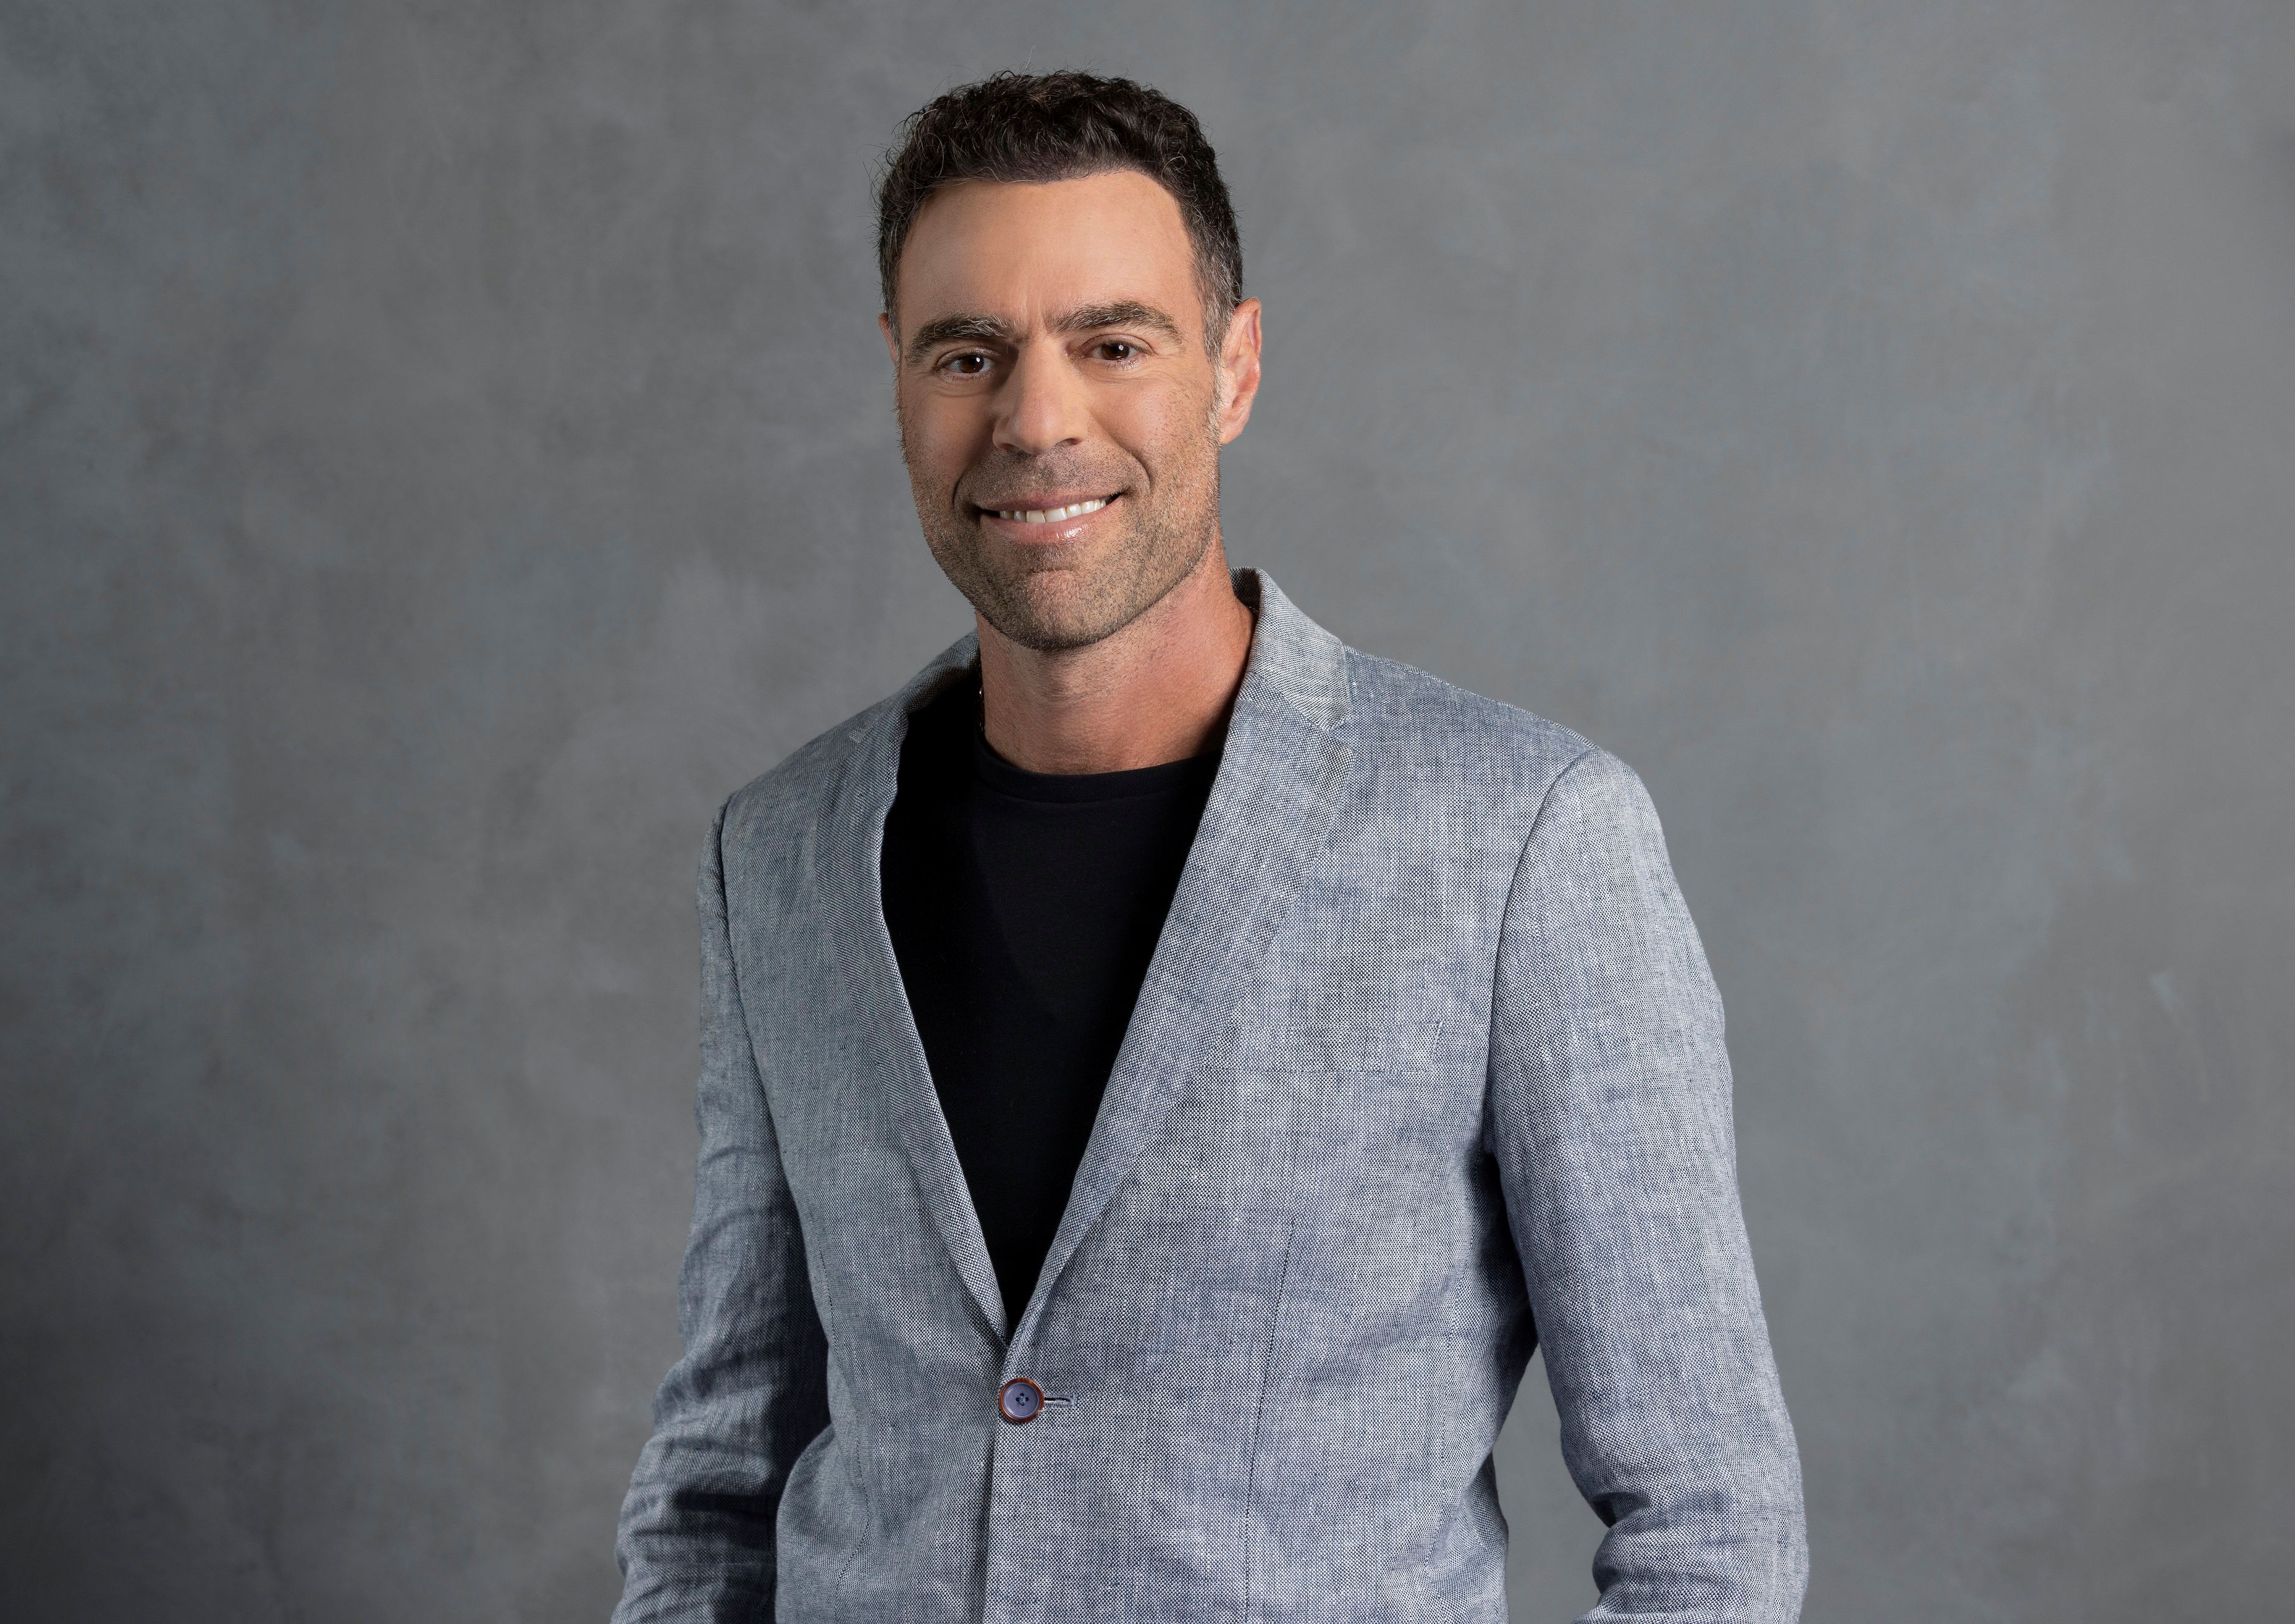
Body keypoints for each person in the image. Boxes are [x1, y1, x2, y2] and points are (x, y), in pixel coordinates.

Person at [612, 70, 1806, 1624]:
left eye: (1113, 344)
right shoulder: (780, 854)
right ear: (898, 375)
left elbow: (1710, 1523)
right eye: (968, 354)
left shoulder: (1521, 841)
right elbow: (715, 1491)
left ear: (1234, 368)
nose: (1037, 420)